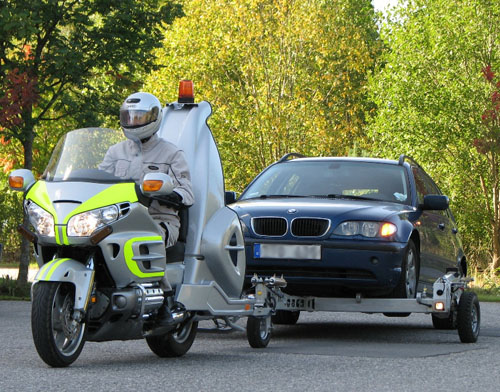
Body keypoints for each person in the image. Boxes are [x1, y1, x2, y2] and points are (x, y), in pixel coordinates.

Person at [100, 92, 194, 326]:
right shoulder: (115, 152)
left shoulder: (171, 153)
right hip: (119, 219)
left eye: (139, 117)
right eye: (128, 117)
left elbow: (188, 193)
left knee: (148, 241)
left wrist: (167, 193)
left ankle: (165, 302)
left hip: (158, 220)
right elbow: (98, 182)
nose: (133, 122)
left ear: (154, 118)